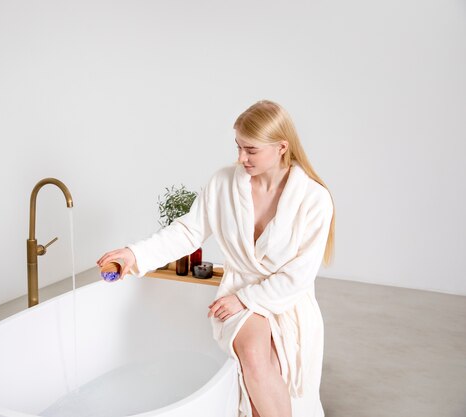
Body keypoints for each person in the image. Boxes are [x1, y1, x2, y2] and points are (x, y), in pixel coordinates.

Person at [97, 99, 335, 417]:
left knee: (271, 378)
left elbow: (300, 276)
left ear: (281, 147)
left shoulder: (314, 199)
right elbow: (187, 232)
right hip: (238, 293)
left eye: (251, 150)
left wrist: (248, 298)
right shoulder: (224, 183)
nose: (240, 158)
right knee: (253, 355)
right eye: (238, 147)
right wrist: (135, 254)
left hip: (285, 299)